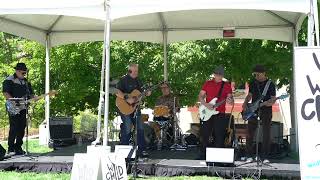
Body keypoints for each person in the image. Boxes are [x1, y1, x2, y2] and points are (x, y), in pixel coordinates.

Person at [242, 64, 276, 163]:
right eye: (255, 74)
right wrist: (245, 103)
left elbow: (273, 99)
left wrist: (269, 103)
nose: (256, 76)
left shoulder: (270, 84)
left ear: (264, 73)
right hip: (253, 109)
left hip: (266, 110)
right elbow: (250, 95)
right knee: (250, 132)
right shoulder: (253, 83)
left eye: (258, 74)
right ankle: (249, 155)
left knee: (266, 132)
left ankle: (265, 156)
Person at [198, 66, 234, 159]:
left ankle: (218, 157)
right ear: (214, 74)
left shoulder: (226, 85)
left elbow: (230, 100)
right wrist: (206, 104)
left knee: (219, 135)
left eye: (220, 74)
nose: (218, 76)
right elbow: (200, 97)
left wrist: (230, 100)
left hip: (220, 113)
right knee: (205, 133)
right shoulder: (207, 83)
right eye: (217, 74)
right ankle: (203, 155)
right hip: (207, 112)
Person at [116, 64, 151, 157]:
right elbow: (116, 91)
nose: (136, 73)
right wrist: (127, 98)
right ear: (129, 71)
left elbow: (141, 93)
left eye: (137, 71)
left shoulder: (138, 80)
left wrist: (147, 93)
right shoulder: (123, 80)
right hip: (124, 107)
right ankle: (124, 150)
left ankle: (142, 150)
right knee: (127, 127)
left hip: (135, 107)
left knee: (140, 128)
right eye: (134, 71)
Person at [2, 63, 37, 156]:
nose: (24, 73)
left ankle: (18, 148)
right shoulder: (9, 80)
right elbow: (5, 93)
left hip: (23, 107)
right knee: (14, 127)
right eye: (23, 72)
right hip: (13, 106)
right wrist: (15, 103)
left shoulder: (26, 82)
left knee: (22, 126)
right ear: (17, 71)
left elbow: (31, 95)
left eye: (25, 72)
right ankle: (11, 149)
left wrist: (35, 98)